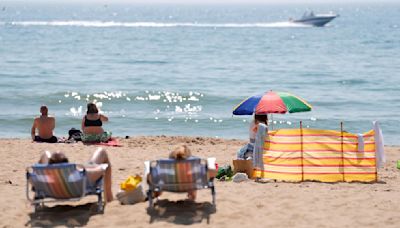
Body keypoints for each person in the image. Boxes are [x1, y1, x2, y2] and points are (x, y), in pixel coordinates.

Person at [38, 147, 113, 202]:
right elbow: (102, 169)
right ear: (67, 164)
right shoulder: (82, 175)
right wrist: (79, 169)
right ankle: (109, 197)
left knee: (46, 153)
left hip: (53, 187)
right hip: (78, 184)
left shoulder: (45, 179)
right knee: (101, 151)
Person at [149, 145, 216, 201]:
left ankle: (157, 195)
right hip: (190, 185)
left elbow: (151, 178)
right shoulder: (194, 171)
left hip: (169, 186)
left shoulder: (167, 171)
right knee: (192, 178)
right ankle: (192, 197)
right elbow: (213, 173)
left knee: (160, 179)